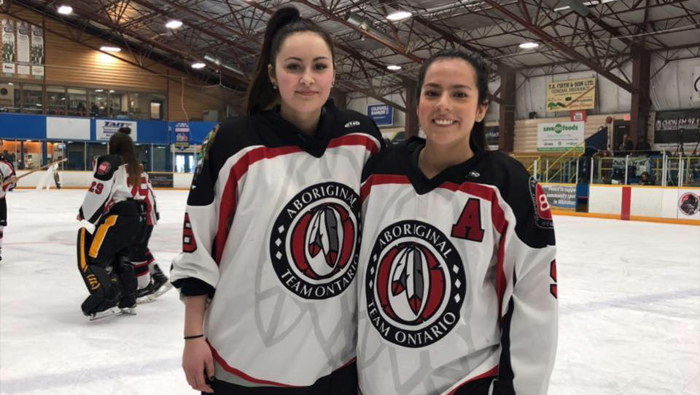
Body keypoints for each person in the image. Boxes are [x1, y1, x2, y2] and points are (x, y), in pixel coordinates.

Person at [169, 7, 383, 394]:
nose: (307, 79)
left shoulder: (362, 138)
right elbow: (198, 245)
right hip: (243, 359)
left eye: (319, 66)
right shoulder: (234, 142)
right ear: (272, 73)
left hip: (337, 360)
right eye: (293, 66)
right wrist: (191, 337)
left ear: (334, 73)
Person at [356, 50, 558, 395]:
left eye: (459, 94)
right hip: (374, 381)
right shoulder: (378, 170)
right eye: (432, 92)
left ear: (481, 109)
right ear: (417, 103)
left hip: (465, 385)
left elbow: (535, 305)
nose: (443, 104)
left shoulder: (507, 186)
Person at [76, 132, 147, 318]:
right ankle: (128, 299)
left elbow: (99, 190)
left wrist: (85, 212)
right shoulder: (135, 165)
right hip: (135, 219)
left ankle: (106, 297)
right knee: (120, 257)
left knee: (93, 256)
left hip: (117, 218)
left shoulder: (109, 162)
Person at [130, 163, 171, 303]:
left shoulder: (125, 170)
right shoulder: (138, 169)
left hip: (143, 213)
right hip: (149, 211)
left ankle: (145, 285)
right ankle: (158, 276)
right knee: (139, 246)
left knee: (137, 249)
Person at [0, 140, 18, 262]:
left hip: (0, 200)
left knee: (0, 227)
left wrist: (12, 181)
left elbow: (12, 185)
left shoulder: (6, 164)